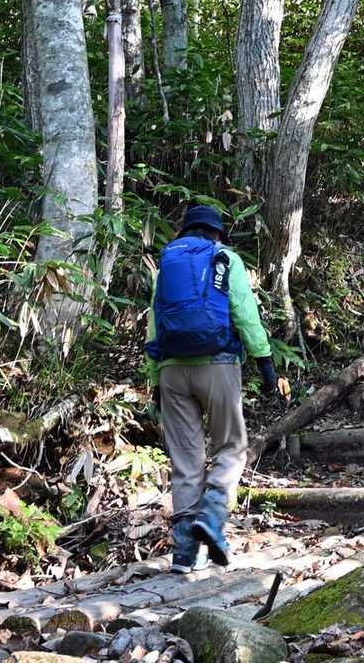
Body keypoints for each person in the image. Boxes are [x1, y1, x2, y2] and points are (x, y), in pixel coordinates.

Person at [146, 204, 290, 573]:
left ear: (186, 231)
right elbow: (245, 313)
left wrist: (155, 379)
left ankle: (184, 552)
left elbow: (154, 324)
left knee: (186, 460)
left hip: (171, 370)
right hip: (218, 365)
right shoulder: (225, 258)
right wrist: (266, 364)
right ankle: (211, 516)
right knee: (231, 447)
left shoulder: (168, 263)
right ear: (217, 233)